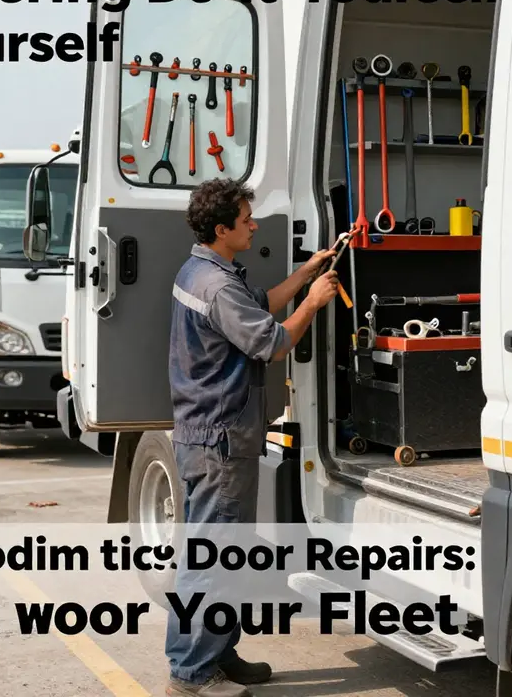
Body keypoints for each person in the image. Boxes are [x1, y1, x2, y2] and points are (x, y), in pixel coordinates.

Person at [165, 178, 341, 697]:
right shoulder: (216, 286)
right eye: (246, 220)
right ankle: (191, 675)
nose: (255, 225)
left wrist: (305, 273)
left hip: (210, 433)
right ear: (222, 229)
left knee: (223, 555)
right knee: (212, 560)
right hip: (219, 440)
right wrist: (312, 302)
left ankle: (217, 654)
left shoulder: (201, 270)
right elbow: (273, 340)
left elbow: (258, 303)